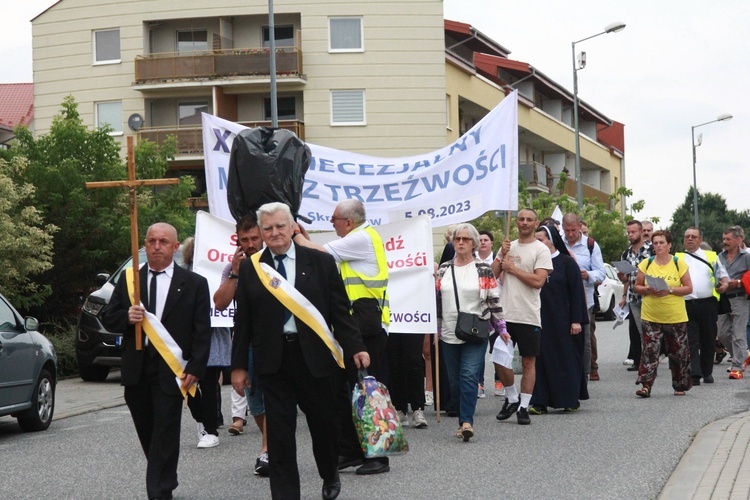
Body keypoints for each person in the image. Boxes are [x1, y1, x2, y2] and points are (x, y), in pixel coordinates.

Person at [232, 202, 369, 500]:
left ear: (293, 226)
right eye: (267, 228)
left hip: (315, 359)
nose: (274, 232)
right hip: (273, 361)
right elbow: (242, 320)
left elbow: (340, 312)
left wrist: (356, 347)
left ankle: (330, 472)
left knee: (324, 425)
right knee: (279, 436)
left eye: (280, 226)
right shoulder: (251, 268)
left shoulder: (318, 262)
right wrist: (238, 366)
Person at [101, 223, 211, 500]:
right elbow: (108, 317)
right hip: (137, 368)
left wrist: (196, 368)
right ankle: (165, 474)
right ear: (145, 245)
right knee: (148, 430)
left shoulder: (194, 284)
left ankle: (158, 491)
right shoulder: (130, 280)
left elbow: (202, 331)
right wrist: (127, 317)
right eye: (151, 241)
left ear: (176, 248)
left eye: (163, 241)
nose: (156, 246)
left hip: (171, 370)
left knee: (165, 429)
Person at [295, 199, 394, 474]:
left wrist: (295, 236)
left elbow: (320, 253)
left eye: (334, 218)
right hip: (355, 327)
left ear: (348, 222)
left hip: (366, 327)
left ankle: (378, 456)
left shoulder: (361, 238)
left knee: (367, 392)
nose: (331, 222)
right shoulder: (360, 237)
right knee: (346, 393)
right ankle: (350, 451)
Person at [435, 223, 504, 440]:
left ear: (474, 243)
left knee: (468, 375)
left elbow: (493, 299)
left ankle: (466, 422)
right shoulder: (444, 269)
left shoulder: (482, 269)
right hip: (448, 332)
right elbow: (436, 302)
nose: (461, 243)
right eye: (457, 239)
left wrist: (501, 327)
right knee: (454, 381)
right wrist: (435, 329)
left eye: (465, 239)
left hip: (476, 330)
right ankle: (463, 414)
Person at [212, 214, 269, 476]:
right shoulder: (235, 267)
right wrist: (235, 273)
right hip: (248, 341)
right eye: (244, 239)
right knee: (255, 400)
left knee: (278, 397)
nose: (249, 244)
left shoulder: (275, 261)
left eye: (254, 238)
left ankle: (268, 449)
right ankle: (269, 444)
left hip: (279, 340)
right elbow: (220, 302)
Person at [492, 208, 553, 425]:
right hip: (504, 314)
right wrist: (501, 255)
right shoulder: (509, 246)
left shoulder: (541, 249)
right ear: (516, 222)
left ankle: (524, 406)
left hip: (528, 314)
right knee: (499, 358)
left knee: (528, 361)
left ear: (536, 224)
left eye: (529, 220)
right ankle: (511, 397)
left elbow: (539, 281)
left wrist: (513, 269)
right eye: (521, 219)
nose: (525, 223)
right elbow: (492, 275)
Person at [529, 225, 589, 413]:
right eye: (535, 240)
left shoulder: (566, 262)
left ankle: (568, 398)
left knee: (565, 359)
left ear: (552, 240)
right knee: (540, 360)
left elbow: (577, 293)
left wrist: (576, 320)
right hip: (539, 318)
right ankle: (540, 401)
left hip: (564, 320)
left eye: (541, 240)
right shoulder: (533, 263)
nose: (538, 244)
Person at [633, 230, 693, 397]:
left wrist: (670, 290)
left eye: (661, 243)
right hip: (651, 316)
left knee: (678, 352)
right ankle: (646, 385)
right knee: (649, 351)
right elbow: (637, 286)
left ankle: (680, 385)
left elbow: (688, 288)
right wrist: (646, 288)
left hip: (675, 316)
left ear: (669, 245)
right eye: (655, 243)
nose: (658, 246)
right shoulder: (647, 263)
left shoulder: (678, 263)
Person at [182, 236, 226, 449]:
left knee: (209, 382)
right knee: (185, 382)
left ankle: (211, 427)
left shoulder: (218, 272)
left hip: (212, 335)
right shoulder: (183, 275)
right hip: (187, 336)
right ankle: (202, 419)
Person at [677, 227, 728, 385]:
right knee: (690, 339)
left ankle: (707, 372)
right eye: (687, 237)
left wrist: (724, 285)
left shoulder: (711, 256)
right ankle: (695, 373)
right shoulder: (677, 258)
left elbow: (723, 276)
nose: (690, 239)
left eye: (693, 237)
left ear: (700, 240)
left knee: (708, 338)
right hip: (686, 303)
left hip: (708, 303)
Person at [562, 213, 605, 381]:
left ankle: (585, 372)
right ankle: (566, 371)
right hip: (562, 298)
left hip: (584, 298)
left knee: (584, 337)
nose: (570, 234)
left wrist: (587, 275)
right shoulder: (558, 242)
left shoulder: (591, 245)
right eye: (567, 230)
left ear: (580, 226)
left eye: (573, 230)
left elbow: (601, 273)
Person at [618, 220, 654, 372]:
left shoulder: (651, 250)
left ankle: (652, 361)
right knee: (641, 332)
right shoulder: (626, 253)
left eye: (633, 232)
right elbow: (625, 279)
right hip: (634, 298)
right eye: (628, 232)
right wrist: (622, 278)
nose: (630, 235)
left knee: (651, 330)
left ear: (640, 232)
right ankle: (643, 362)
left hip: (650, 296)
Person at [717, 226, 750, 379]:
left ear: (738, 240)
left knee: (738, 333)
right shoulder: (719, 256)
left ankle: (738, 367)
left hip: (740, 297)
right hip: (723, 298)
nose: (725, 242)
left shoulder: (747, 257)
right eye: (724, 239)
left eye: (728, 239)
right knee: (722, 333)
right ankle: (743, 354)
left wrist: (737, 282)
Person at [475, 230, 496, 398]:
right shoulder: (471, 261)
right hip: (478, 309)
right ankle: (479, 383)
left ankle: (500, 380)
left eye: (486, 240)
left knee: (498, 347)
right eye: (480, 240)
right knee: (478, 350)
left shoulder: (497, 259)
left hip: (496, 308)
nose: (483, 242)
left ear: (491, 243)